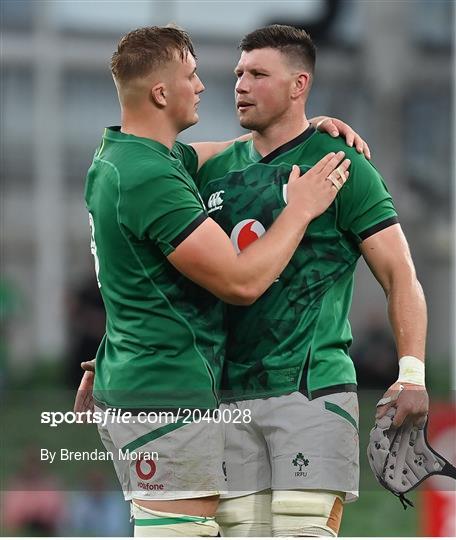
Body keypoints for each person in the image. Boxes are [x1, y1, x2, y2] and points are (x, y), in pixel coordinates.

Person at [82, 25, 353, 538]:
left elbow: (209, 154)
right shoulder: (150, 179)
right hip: (164, 395)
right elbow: (242, 282)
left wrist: (297, 129)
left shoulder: (127, 158)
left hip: (145, 385)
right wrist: (298, 212)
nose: (204, 86)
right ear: (162, 93)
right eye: (192, 75)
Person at [194, 25, 429, 537]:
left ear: (299, 85)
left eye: (258, 74)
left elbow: (400, 273)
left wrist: (411, 373)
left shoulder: (340, 167)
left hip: (312, 392)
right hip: (227, 397)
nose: (240, 84)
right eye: (238, 73)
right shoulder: (210, 170)